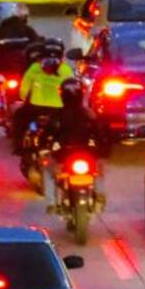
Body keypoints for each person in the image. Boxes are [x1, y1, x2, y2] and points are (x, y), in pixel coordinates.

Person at [43, 77, 99, 212]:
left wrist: (44, 145)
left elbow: (47, 133)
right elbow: (100, 132)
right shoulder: (89, 114)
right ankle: (100, 196)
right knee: (99, 170)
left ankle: (51, 202)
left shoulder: (57, 115)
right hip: (81, 154)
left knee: (47, 169)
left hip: (66, 155)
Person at [13, 40, 73, 148]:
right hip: (59, 109)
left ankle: (18, 144)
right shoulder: (66, 69)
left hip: (36, 107)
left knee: (19, 116)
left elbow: (24, 88)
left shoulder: (35, 68)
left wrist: (23, 99)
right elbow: (72, 89)